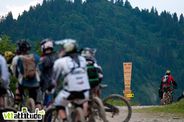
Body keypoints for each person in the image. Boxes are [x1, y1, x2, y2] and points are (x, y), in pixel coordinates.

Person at [51, 39, 90, 121]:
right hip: (85, 91)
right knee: (79, 103)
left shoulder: (60, 61)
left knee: (58, 104)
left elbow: (54, 79)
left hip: (70, 92)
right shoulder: (83, 59)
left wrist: (50, 88)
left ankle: (65, 120)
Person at [14, 39, 40, 106]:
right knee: (35, 98)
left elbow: (15, 71)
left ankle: (16, 105)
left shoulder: (17, 58)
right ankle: (38, 109)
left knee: (18, 88)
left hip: (23, 82)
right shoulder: (35, 57)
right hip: (35, 82)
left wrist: (16, 76)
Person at [39, 38, 58, 107]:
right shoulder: (56, 56)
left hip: (46, 83)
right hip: (56, 82)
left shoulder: (43, 59)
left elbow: (39, 71)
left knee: (44, 101)